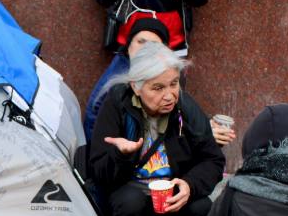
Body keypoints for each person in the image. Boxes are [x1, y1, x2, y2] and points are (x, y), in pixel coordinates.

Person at [89, 43, 224, 216]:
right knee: (129, 202)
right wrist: (121, 154)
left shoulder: (184, 107)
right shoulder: (116, 104)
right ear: (137, 87)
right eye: (157, 88)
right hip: (130, 191)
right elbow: (98, 172)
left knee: (202, 207)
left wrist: (189, 185)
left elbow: (212, 160)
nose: (169, 95)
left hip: (170, 193)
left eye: (173, 84)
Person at [83, 18, 235, 147]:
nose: (144, 49)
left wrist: (204, 128)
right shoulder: (117, 87)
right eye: (140, 42)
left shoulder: (167, 72)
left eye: (173, 84)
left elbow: (180, 114)